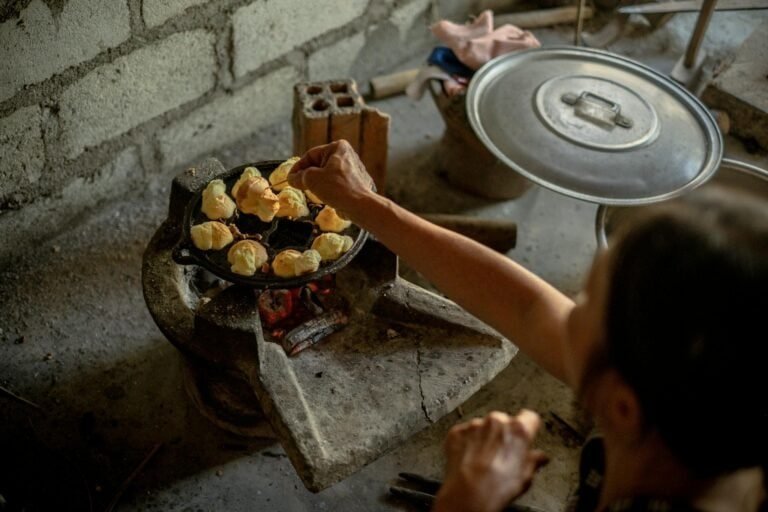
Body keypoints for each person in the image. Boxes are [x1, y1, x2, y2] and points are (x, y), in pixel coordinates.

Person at [288, 140, 768, 512]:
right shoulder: (703, 417)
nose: (565, 307)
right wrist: (365, 204)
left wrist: (464, 502)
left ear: (623, 407)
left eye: (583, 304)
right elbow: (528, 310)